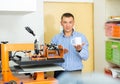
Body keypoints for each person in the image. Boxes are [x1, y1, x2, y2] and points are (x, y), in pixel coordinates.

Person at [51, 13, 89, 78]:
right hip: (59, 72)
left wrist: (80, 50)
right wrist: (60, 53)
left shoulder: (81, 37)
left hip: (75, 73)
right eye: (65, 22)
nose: (67, 25)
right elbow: (50, 56)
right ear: (61, 23)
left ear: (73, 23)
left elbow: (85, 57)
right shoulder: (56, 38)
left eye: (70, 22)